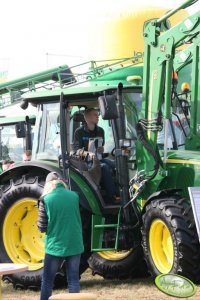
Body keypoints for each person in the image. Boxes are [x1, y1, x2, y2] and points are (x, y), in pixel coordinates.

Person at [37, 172, 84, 300]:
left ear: (48, 184)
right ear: (61, 182)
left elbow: (42, 227)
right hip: (74, 243)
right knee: (73, 280)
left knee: (47, 281)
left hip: (55, 245)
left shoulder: (45, 200)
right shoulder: (74, 196)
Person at [72, 108, 118, 204]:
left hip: (98, 158)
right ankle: (111, 196)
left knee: (116, 165)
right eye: (95, 115)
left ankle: (121, 192)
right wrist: (88, 153)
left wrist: (100, 149)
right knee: (104, 167)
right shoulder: (79, 132)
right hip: (85, 162)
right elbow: (76, 150)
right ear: (87, 117)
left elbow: (101, 145)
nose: (98, 116)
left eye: (98, 114)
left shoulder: (100, 131)